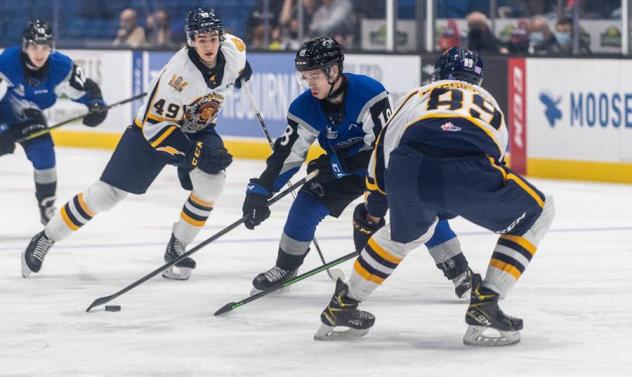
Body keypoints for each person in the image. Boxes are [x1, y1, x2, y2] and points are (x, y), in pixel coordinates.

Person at [314, 47, 555, 347]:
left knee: (406, 234)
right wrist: (456, 198)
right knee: (540, 209)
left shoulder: (417, 94)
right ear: (477, 79)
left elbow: (383, 149)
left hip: (409, 165)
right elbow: (496, 155)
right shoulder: (487, 99)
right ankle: (486, 303)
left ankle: (344, 306)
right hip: (469, 166)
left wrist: (374, 209)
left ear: (438, 73)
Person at [21, 8, 252, 281]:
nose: (208, 45)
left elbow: (238, 60)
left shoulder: (235, 49)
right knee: (106, 195)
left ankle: (177, 247)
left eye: (212, 38)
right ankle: (46, 238)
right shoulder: (178, 77)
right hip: (151, 134)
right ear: (190, 40)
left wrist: (241, 70)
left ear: (220, 37)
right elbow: (157, 129)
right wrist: (193, 151)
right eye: (201, 39)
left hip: (198, 127)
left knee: (212, 185)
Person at [241, 37, 473, 299]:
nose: (309, 83)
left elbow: (384, 148)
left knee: (418, 207)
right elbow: (288, 154)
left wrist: (339, 163)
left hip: (389, 169)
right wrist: (261, 189)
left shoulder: (368, 93)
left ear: (333, 70)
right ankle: (285, 267)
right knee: (306, 203)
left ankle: (459, 270)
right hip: (346, 170)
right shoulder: (304, 107)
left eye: (314, 76)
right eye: (304, 76)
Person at [0, 20, 108, 225]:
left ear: (51, 47)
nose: (39, 54)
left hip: (29, 118)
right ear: (25, 47)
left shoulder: (61, 66)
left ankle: (47, 206)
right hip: (2, 115)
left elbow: (86, 89)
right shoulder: (6, 62)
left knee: (44, 154)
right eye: (34, 47)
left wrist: (96, 105)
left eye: (44, 47)